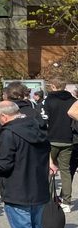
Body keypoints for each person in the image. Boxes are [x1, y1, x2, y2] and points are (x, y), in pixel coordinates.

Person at [44, 77, 77, 210]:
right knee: (66, 171)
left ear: (53, 86)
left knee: (48, 169)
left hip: (51, 138)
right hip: (68, 139)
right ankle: (67, 202)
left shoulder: (49, 100)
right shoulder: (72, 100)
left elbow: (44, 120)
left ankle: (50, 199)